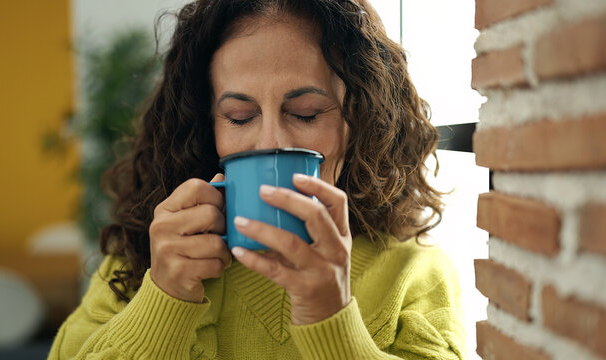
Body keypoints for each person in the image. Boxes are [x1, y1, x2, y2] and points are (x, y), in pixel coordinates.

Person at [48, 0, 465, 359]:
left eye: (305, 112)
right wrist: (164, 298)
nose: (270, 141)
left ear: (359, 119)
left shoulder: (416, 272)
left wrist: (330, 319)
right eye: (240, 117)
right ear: (207, 125)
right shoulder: (144, 260)